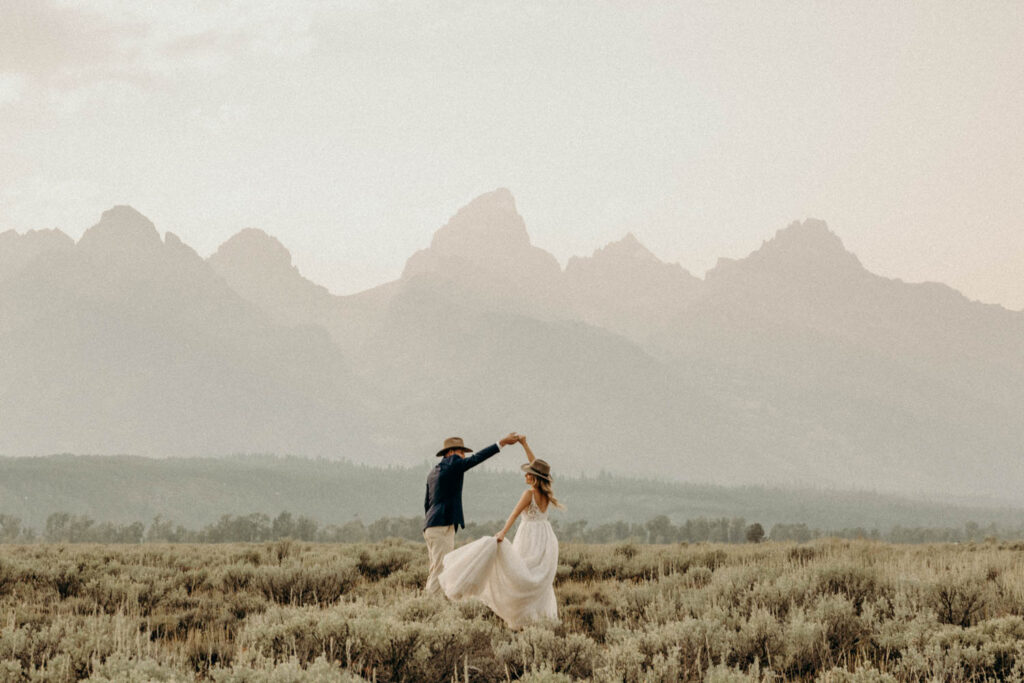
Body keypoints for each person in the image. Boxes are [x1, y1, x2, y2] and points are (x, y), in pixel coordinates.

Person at [437, 435, 563, 628]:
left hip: (529, 536)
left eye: (528, 473)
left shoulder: (528, 494)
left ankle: (522, 617)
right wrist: (525, 444)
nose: (525, 475)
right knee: (537, 582)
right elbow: (536, 465)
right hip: (546, 539)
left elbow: (513, 514)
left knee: (520, 576)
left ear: (534, 477)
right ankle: (537, 620)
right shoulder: (545, 494)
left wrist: (502, 533)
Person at [424, 433, 520, 594]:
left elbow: (427, 503)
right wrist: (501, 443)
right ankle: (430, 605)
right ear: (450, 452)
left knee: (435, 566)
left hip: (430, 525)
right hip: (442, 524)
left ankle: (428, 603)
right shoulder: (453, 464)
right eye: (461, 452)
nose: (463, 456)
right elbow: (476, 458)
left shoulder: (433, 472)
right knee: (441, 568)